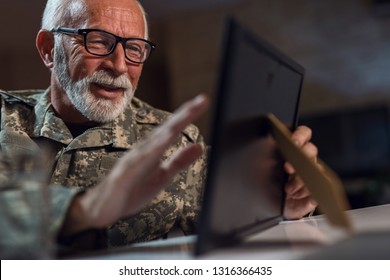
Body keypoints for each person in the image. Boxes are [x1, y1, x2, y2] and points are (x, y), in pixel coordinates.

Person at [0, 0, 318, 255]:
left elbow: (236, 244)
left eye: (135, 48)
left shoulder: (178, 144)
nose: (119, 65)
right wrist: (84, 209)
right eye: (97, 41)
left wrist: (281, 205)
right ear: (47, 48)